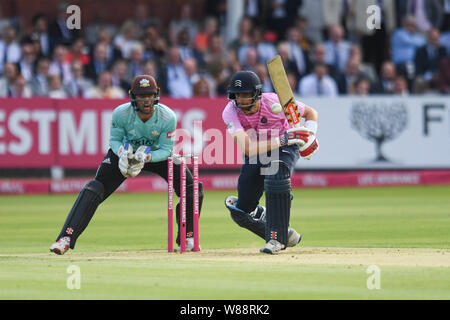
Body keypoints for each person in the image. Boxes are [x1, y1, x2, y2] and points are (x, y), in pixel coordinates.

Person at [50, 75, 204, 255]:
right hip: (126, 154)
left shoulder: (167, 116)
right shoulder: (121, 113)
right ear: (133, 97)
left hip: (155, 155)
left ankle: (187, 237)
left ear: (156, 95)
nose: (146, 101)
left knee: (191, 187)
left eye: (149, 96)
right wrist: (123, 154)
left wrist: (145, 158)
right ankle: (66, 238)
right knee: (95, 187)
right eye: (141, 96)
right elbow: (114, 141)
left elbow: (166, 150)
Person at [222, 70, 319, 254]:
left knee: (276, 176)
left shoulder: (275, 101)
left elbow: (311, 113)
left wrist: (309, 136)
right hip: (263, 147)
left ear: (257, 93)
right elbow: (249, 149)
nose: (241, 100)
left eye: (246, 95)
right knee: (241, 211)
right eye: (237, 96)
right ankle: (268, 217)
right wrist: (283, 138)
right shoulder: (230, 112)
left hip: (286, 147)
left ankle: (277, 239)